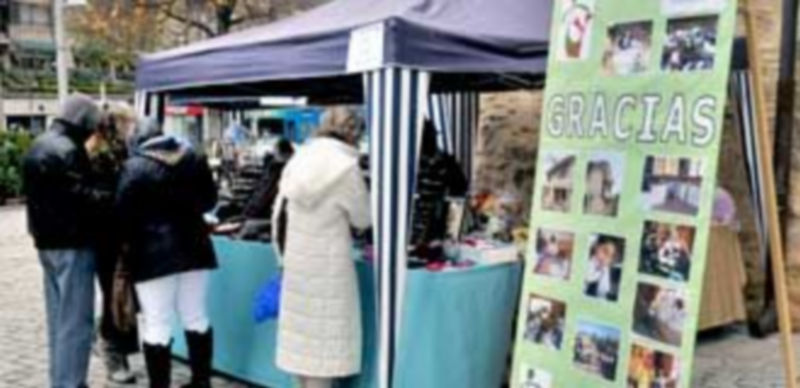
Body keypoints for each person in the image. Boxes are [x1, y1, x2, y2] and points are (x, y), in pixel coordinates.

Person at [116, 119, 218, 388]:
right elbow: (210, 201)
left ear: (137, 138)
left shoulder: (134, 167)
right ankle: (201, 382)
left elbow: (121, 215)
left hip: (152, 255)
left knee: (157, 323)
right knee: (196, 315)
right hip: (195, 249)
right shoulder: (194, 158)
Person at [273, 107, 371, 388]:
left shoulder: (299, 159)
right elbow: (363, 218)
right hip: (330, 266)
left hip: (298, 263)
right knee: (324, 348)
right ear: (353, 133)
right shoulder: (346, 168)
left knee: (302, 345)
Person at [23, 94, 109, 388]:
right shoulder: (70, 150)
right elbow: (84, 198)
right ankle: (71, 383)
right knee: (76, 322)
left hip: (46, 242)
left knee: (58, 319)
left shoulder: (38, 145)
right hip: (74, 243)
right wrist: (108, 196)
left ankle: (61, 380)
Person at [88, 102, 140, 384]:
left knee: (118, 294)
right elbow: (107, 194)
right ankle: (112, 350)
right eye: (128, 123)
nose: (131, 129)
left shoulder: (113, 149)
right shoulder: (103, 152)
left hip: (115, 233)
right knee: (114, 293)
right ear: (118, 123)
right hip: (107, 235)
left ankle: (112, 342)